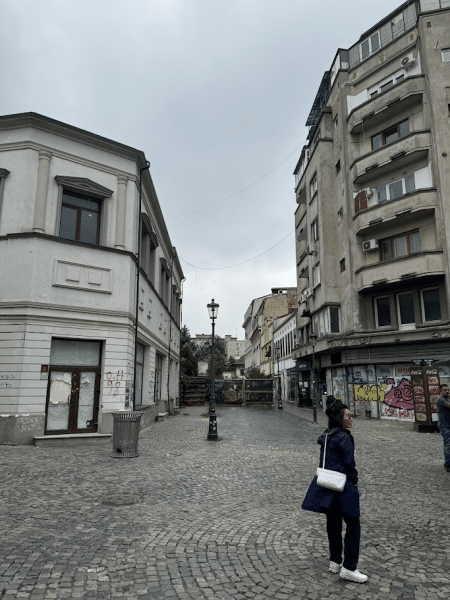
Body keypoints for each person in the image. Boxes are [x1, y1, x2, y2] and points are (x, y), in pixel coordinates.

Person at [301, 399, 367, 584]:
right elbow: (349, 464)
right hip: (343, 485)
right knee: (353, 525)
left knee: (334, 523)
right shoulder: (344, 437)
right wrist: (354, 481)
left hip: (328, 485)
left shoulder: (327, 435)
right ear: (340, 418)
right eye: (348, 416)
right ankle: (349, 568)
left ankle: (335, 561)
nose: (351, 419)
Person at [436, 384, 450, 472]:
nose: (447, 391)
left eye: (448, 390)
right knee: (448, 444)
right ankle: (448, 464)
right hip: (444, 425)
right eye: (445, 390)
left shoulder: (447, 398)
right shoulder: (440, 399)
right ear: (440, 391)